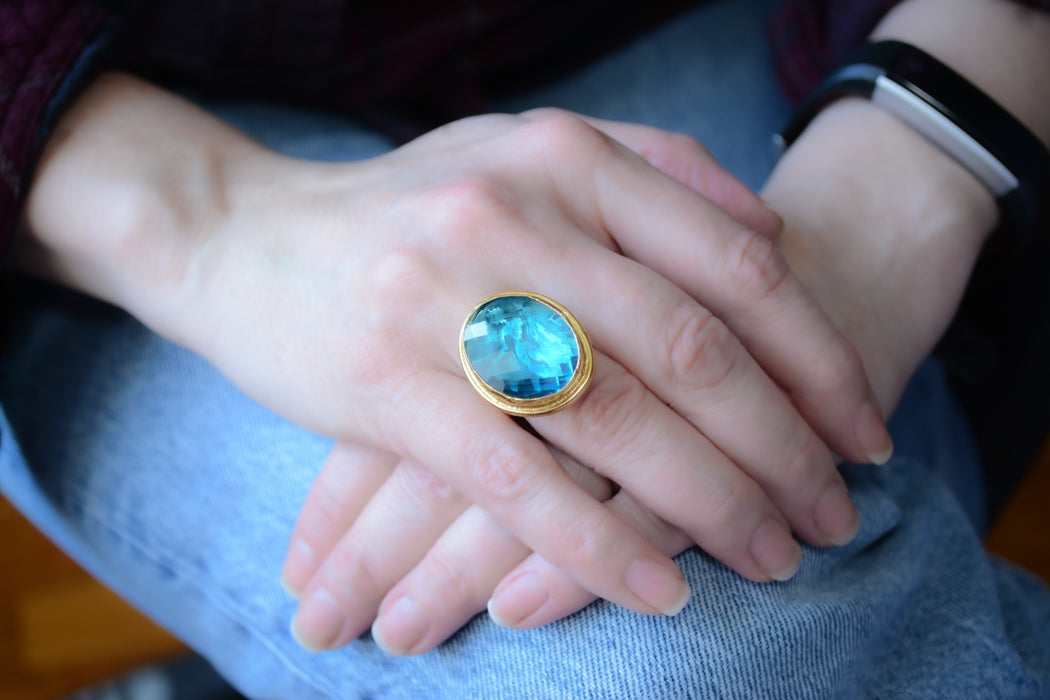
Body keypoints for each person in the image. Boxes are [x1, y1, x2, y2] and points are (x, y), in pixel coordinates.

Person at [1, 0, 1049, 697]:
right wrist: (200, 213)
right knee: (668, 649)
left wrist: (922, 145)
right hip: (90, 141)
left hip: (736, 28)